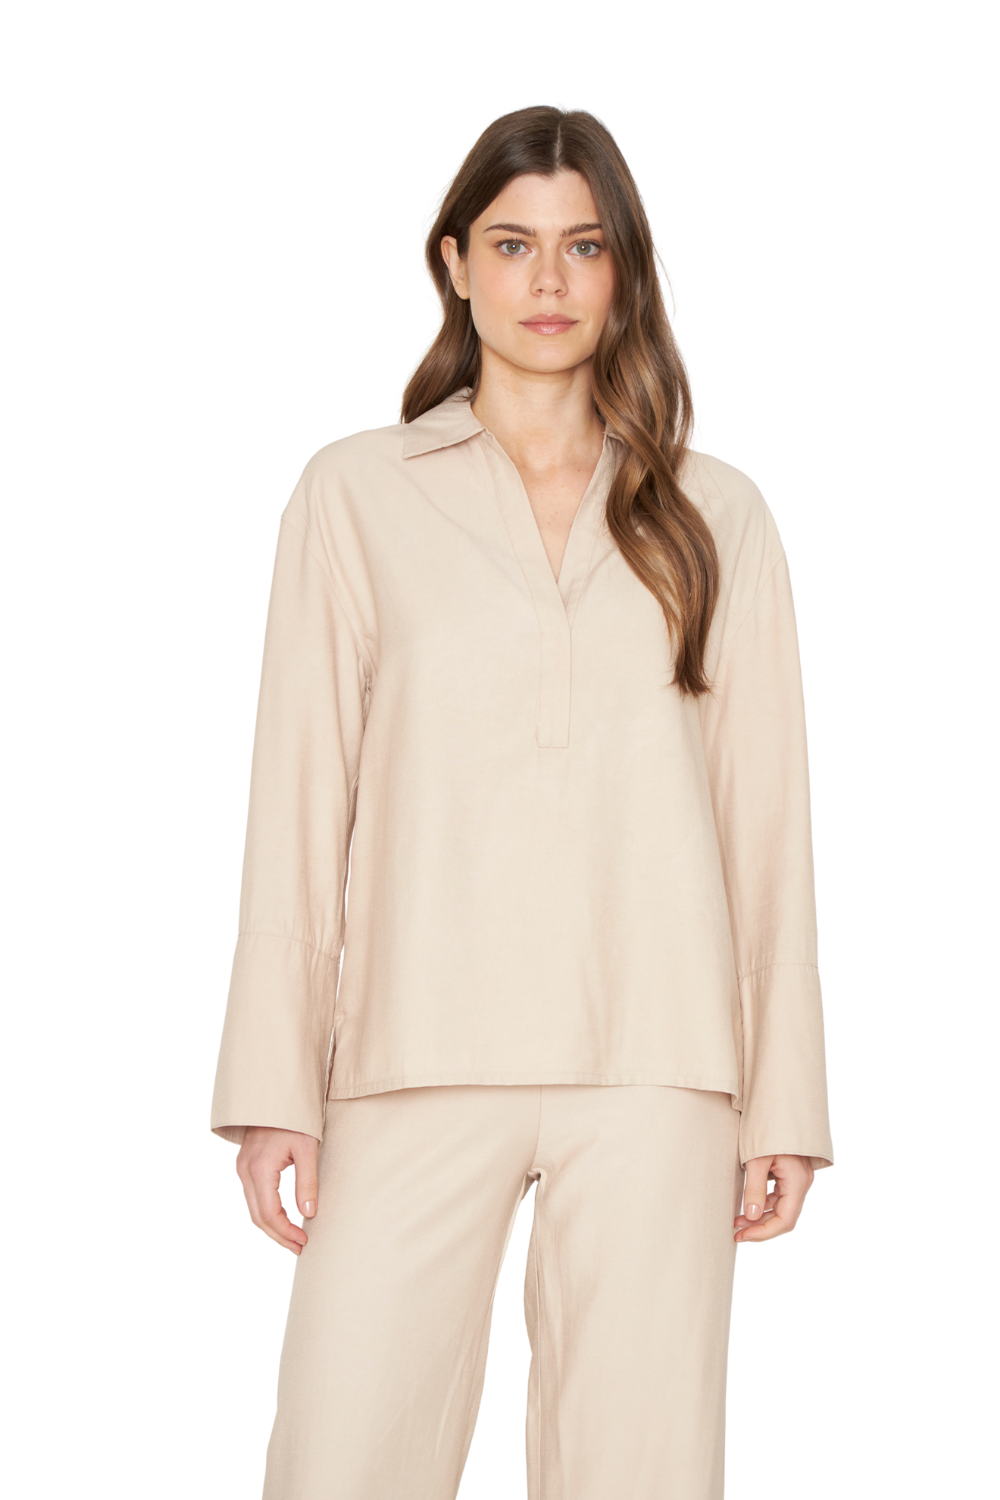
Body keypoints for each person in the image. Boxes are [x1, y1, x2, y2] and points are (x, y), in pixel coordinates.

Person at [211, 104, 833, 1500]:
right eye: (512, 245)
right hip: (414, 1047)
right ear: (454, 263)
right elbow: (299, 794)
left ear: (624, 271)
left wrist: (784, 1095)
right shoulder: (355, 495)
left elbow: (766, 822)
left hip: (659, 1058)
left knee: (641, 1473)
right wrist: (271, 1082)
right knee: (342, 1457)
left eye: (584, 247)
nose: (548, 281)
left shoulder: (718, 515)